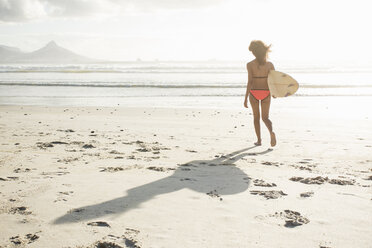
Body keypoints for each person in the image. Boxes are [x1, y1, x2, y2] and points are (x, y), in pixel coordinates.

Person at [244, 40, 276, 147]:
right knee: (265, 118)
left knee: (256, 118)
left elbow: (250, 82)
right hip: (266, 93)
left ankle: (259, 140)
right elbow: (274, 81)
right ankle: (271, 132)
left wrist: (245, 98)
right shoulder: (270, 65)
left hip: (254, 93)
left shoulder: (250, 65)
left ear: (254, 52)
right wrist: (274, 93)